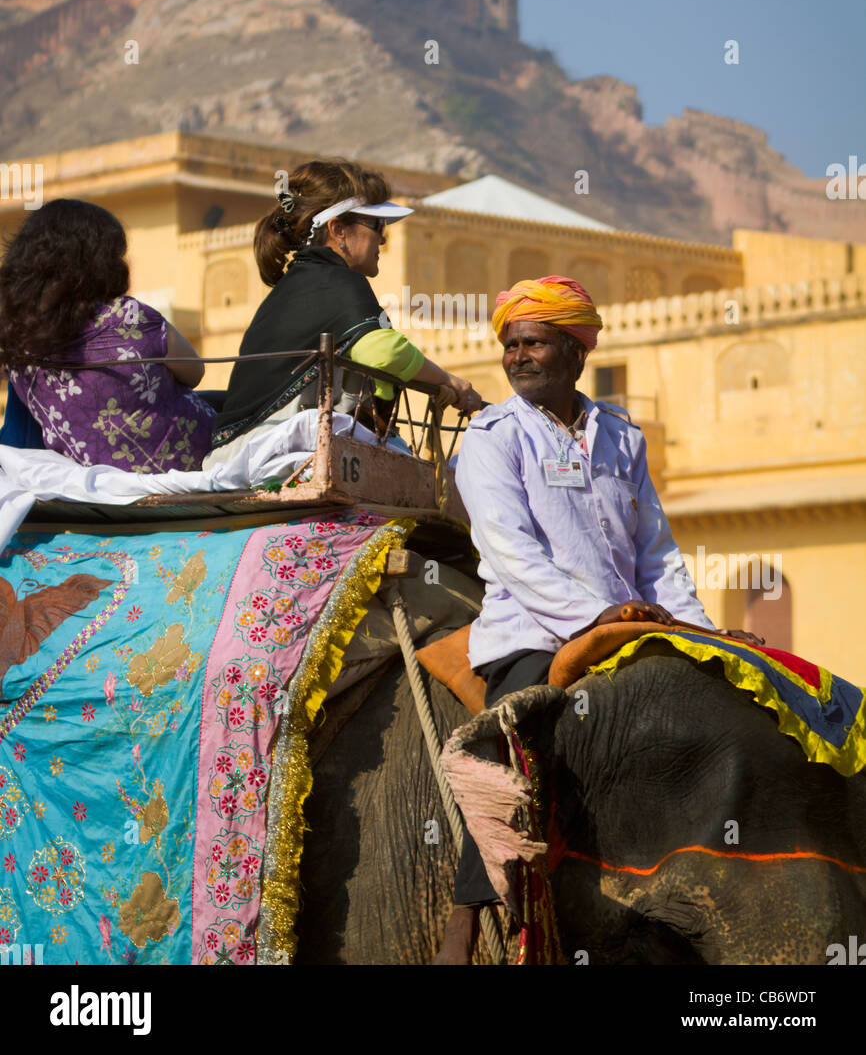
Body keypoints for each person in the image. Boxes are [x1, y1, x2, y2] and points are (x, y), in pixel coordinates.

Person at [435, 274, 754, 965]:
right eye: (511, 345)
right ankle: (467, 911)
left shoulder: (620, 436)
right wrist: (592, 615)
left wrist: (698, 630)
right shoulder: (491, 437)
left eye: (535, 344)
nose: (518, 357)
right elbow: (510, 552)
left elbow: (658, 553)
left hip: (629, 624)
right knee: (513, 735)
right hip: (532, 629)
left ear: (576, 352)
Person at [204, 158, 483, 467]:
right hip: (270, 452)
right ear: (338, 230)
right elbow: (385, 353)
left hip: (241, 453)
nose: (384, 236)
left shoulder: (301, 282)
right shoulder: (336, 280)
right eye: (376, 224)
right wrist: (451, 383)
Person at [0, 199, 216, 474]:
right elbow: (195, 372)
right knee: (222, 399)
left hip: (103, 477)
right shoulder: (131, 316)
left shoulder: (18, 345)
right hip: (193, 461)